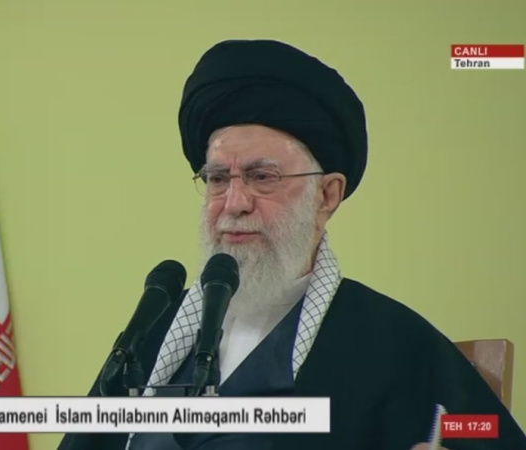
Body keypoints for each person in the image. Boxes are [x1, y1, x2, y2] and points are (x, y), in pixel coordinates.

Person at [58, 40, 526, 450]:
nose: (234, 203)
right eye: (218, 179)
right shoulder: (155, 331)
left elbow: (479, 430)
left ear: (326, 196)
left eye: (262, 177)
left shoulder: (393, 345)